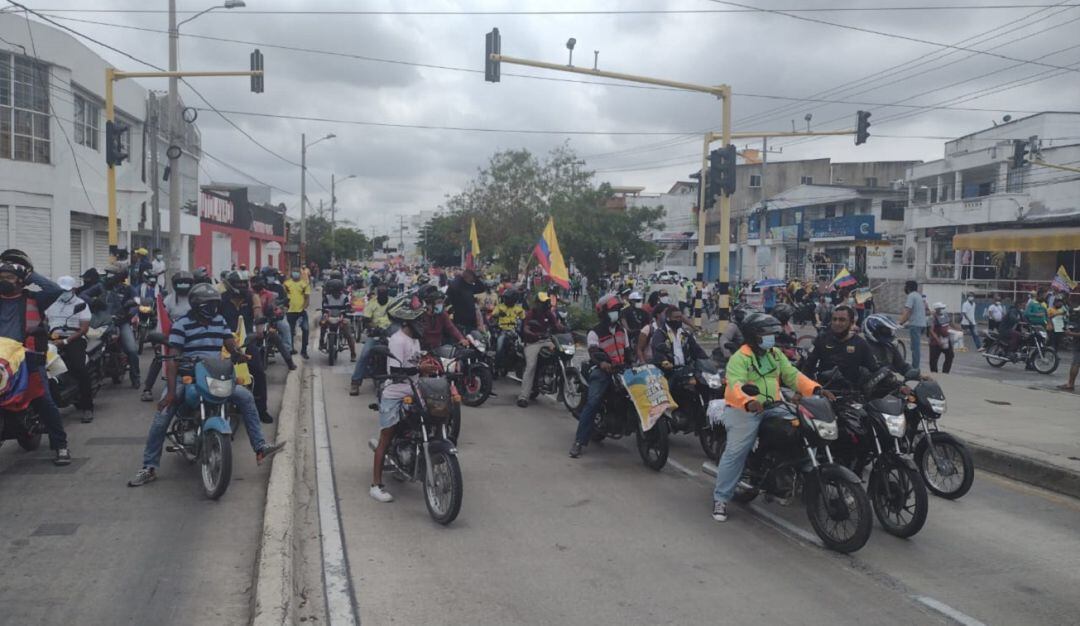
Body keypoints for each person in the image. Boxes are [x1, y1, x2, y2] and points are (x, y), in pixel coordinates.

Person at [127, 284, 285, 487]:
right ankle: (148, 467)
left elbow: (229, 342)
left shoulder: (218, 321)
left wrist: (238, 352)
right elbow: (173, 359)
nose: (214, 308)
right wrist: (171, 392)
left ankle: (260, 446)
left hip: (214, 374)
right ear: (198, 305)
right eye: (210, 305)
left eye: (215, 304)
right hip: (189, 377)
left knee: (245, 397)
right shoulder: (182, 324)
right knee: (162, 416)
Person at [712, 312, 831, 522]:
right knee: (737, 451)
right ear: (753, 335)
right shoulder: (740, 358)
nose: (771, 338)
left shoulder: (775, 354)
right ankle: (721, 498)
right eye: (766, 334)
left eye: (772, 334)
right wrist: (748, 401)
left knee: (803, 429)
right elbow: (735, 384)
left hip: (774, 405)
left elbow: (793, 376)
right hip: (744, 409)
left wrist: (816, 390)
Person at [0, 250, 70, 464]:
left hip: (28, 358)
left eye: (9, 277)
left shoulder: (34, 299)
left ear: (21, 281)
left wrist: (30, 274)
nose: (4, 281)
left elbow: (55, 289)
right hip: (2, 361)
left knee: (43, 400)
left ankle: (61, 446)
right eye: (1, 277)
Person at [369, 296, 437, 503]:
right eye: (421, 322)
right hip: (395, 392)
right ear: (409, 322)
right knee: (386, 436)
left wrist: (428, 365)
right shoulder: (398, 340)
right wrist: (419, 368)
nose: (424, 325)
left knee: (428, 421)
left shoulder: (414, 339)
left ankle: (409, 462)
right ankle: (376, 485)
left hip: (414, 391)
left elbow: (416, 363)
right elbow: (397, 370)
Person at [569, 294, 631, 458]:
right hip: (602, 370)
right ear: (603, 313)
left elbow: (629, 352)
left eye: (618, 310)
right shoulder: (594, 332)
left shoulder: (621, 331)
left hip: (622, 370)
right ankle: (579, 442)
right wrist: (603, 364)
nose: (616, 313)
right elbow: (594, 353)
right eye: (613, 310)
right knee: (593, 402)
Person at [221, 272, 274, 423]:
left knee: (258, 371)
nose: (243, 286)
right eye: (239, 284)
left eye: (245, 283)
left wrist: (259, 329)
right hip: (224, 342)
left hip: (246, 340)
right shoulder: (221, 298)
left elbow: (257, 314)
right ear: (231, 285)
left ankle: (262, 409)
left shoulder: (252, 297)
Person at [45, 276, 95, 423]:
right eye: (61, 289)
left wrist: (65, 340)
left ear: (73, 289)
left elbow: (84, 329)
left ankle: (87, 407)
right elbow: (44, 321)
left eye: (66, 290)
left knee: (79, 369)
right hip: (52, 339)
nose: (63, 292)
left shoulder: (81, 304)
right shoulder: (51, 303)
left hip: (74, 339)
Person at [142, 271, 196, 401]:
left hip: (194, 334)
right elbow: (162, 320)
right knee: (160, 357)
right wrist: (158, 341)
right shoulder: (169, 300)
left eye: (186, 283)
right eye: (180, 283)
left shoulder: (196, 299)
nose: (183, 285)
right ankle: (147, 389)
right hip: (173, 336)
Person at [801, 305, 879, 384]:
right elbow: (808, 367)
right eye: (834, 319)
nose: (837, 323)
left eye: (842, 320)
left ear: (851, 323)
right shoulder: (822, 339)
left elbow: (873, 370)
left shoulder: (861, 344)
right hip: (823, 391)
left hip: (850, 393)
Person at [517, 292, 564, 408]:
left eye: (546, 302)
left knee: (561, 354)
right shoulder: (530, 314)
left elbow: (557, 326)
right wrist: (535, 334)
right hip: (532, 343)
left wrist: (566, 329)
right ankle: (523, 397)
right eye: (542, 302)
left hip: (546, 341)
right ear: (537, 303)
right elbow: (526, 329)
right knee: (531, 366)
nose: (545, 304)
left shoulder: (549, 313)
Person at [102, 266, 142, 389]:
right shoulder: (102, 288)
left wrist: (131, 312)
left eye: (113, 275)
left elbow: (137, 302)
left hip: (121, 322)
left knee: (132, 350)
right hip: (102, 323)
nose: (110, 277)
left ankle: (135, 377)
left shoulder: (128, 289)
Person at [350, 284, 392, 396]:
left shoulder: (393, 303)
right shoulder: (372, 303)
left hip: (390, 334)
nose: (382, 296)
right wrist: (373, 328)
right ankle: (355, 382)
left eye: (385, 293)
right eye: (381, 293)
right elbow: (366, 319)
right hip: (375, 334)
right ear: (378, 294)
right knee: (365, 354)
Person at [317, 278, 357, 362]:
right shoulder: (327, 297)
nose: (336, 293)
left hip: (341, 317)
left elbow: (348, 306)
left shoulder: (345, 297)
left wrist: (349, 309)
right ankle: (321, 342)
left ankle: (353, 353)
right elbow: (324, 306)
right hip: (329, 316)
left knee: (348, 334)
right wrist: (324, 312)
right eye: (334, 291)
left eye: (337, 291)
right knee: (322, 324)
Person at [490, 288, 526, 370]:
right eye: (505, 298)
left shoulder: (519, 309)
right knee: (499, 347)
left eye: (507, 298)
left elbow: (524, 318)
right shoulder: (500, 307)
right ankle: (496, 367)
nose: (505, 300)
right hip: (503, 331)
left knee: (523, 347)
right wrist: (499, 314)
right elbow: (494, 314)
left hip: (515, 331)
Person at [445, 268, 486, 335]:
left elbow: (481, 288)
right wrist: (460, 276)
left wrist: (476, 279)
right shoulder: (457, 286)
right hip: (460, 320)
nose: (474, 279)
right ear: (468, 276)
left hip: (472, 320)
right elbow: (452, 288)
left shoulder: (470, 286)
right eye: (473, 276)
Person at [898, 280, 928, 371]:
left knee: (915, 347)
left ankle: (915, 368)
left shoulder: (911, 296)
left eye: (905, 286)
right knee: (915, 346)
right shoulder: (918, 295)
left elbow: (908, 311)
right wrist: (905, 323)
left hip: (915, 324)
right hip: (921, 324)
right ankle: (915, 366)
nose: (904, 288)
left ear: (908, 288)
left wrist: (900, 323)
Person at [283, 269, 311, 360]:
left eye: (297, 272)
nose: (295, 274)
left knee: (306, 329)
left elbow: (307, 298)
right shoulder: (286, 284)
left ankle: (304, 351)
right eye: (293, 272)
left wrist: (304, 307)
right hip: (289, 311)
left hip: (301, 312)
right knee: (290, 331)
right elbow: (283, 296)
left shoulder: (304, 284)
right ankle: (291, 349)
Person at [928, 302, 955, 374]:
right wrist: (938, 340)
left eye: (943, 308)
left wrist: (959, 330)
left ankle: (945, 372)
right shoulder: (932, 317)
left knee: (950, 356)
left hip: (946, 340)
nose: (943, 309)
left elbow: (951, 324)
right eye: (941, 308)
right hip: (935, 342)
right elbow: (931, 330)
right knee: (933, 360)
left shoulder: (946, 315)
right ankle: (934, 373)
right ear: (936, 309)